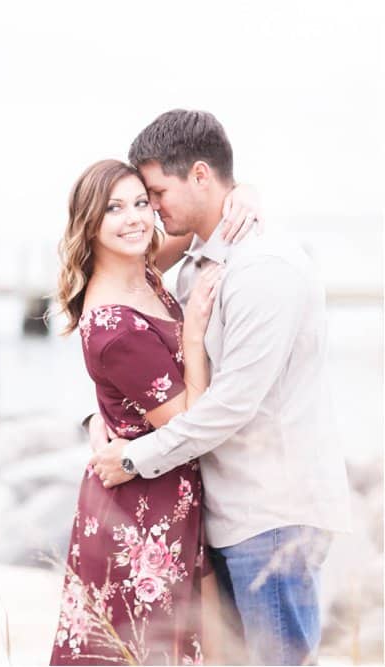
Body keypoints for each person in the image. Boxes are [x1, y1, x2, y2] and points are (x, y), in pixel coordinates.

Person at [90, 109, 351, 665]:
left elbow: (232, 404)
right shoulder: (195, 264)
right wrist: (98, 419)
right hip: (226, 513)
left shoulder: (264, 269)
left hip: (273, 515)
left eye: (157, 192)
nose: (152, 208)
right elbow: (134, 349)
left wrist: (135, 459)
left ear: (202, 176)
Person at [48, 158, 260, 665]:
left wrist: (243, 192)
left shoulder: (142, 267)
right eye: (114, 208)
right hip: (142, 509)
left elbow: (192, 228)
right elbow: (189, 418)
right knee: (146, 652)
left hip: (165, 489)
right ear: (89, 223)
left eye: (141, 202)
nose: (135, 218)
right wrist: (193, 333)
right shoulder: (114, 324)